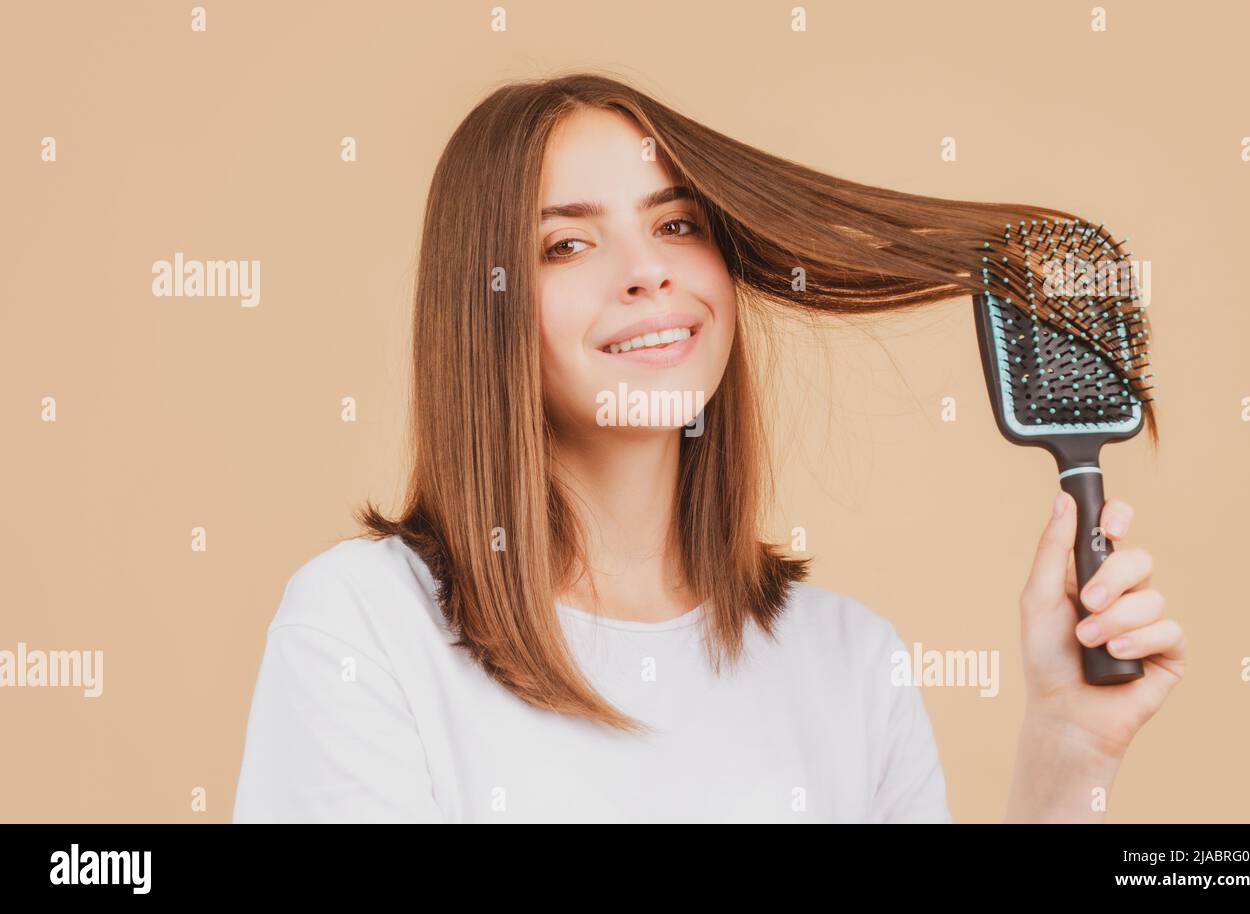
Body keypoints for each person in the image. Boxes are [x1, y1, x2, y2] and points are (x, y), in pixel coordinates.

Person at [232, 73, 1185, 823]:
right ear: (482, 311)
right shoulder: (363, 629)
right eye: (567, 245)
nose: (647, 271)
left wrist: (1070, 747)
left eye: (676, 223)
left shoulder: (849, 660)